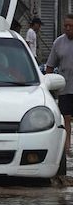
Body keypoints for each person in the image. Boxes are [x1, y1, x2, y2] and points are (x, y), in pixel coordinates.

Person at [46, 14, 73, 158]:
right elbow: (50, 66)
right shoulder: (59, 42)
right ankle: (67, 147)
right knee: (66, 118)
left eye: (71, 26)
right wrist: (48, 86)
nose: (68, 29)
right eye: (66, 26)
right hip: (65, 87)